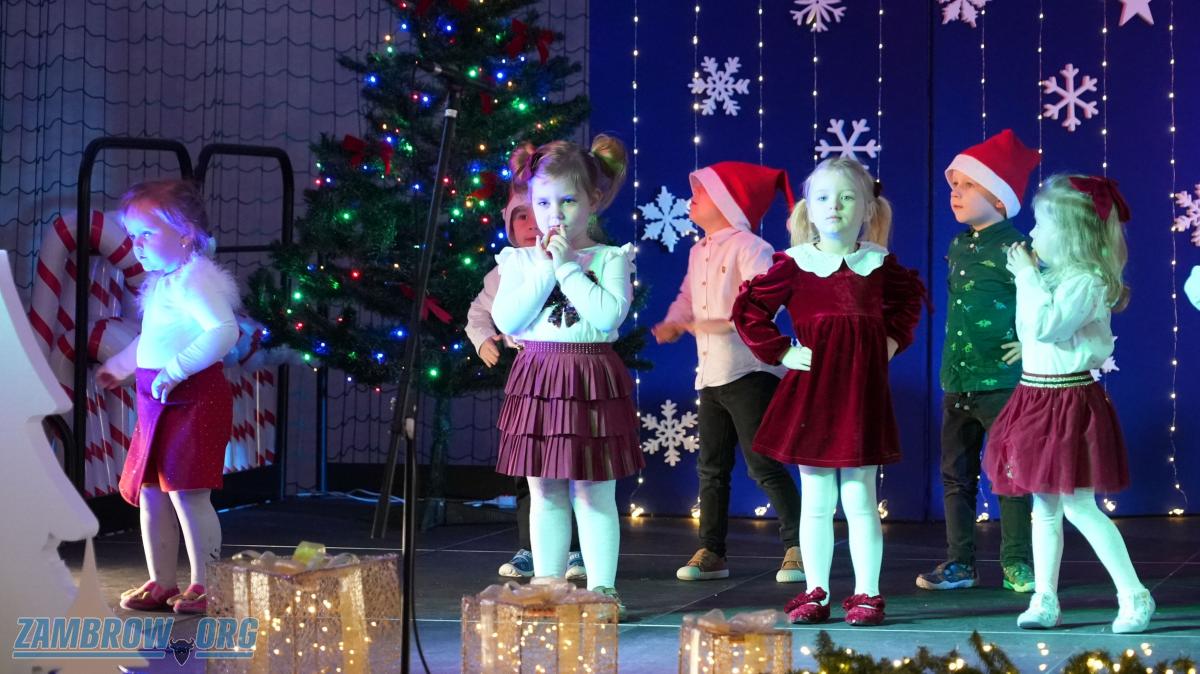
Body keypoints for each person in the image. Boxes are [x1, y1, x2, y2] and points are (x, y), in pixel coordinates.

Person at [732, 158, 925, 626]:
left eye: (846, 197)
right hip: (813, 397)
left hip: (860, 397)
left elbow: (908, 301)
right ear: (808, 209)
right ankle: (815, 590)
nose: (834, 206)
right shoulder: (795, 264)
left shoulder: (878, 265)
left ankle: (866, 593)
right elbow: (750, 309)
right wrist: (781, 351)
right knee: (817, 500)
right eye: (822, 198)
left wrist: (891, 341)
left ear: (866, 209)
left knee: (860, 498)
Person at [983, 174, 1154, 633]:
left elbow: (1048, 325)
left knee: (1079, 506)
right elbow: (1033, 332)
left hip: (1069, 401)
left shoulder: (1086, 282)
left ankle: (1134, 594)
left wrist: (1024, 276)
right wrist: (1029, 281)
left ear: (1071, 234)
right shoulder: (1051, 278)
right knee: (1044, 505)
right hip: (1035, 397)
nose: (1032, 234)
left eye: (1041, 225)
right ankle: (1045, 598)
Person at [491, 135, 641, 615]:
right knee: (544, 489)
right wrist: (545, 269)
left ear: (593, 200)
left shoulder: (610, 258)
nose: (554, 214)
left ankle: (603, 588)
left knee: (594, 489)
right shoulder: (520, 260)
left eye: (568, 201)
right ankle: (547, 584)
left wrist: (569, 269)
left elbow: (608, 317)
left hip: (590, 377)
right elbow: (507, 319)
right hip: (538, 377)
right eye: (542, 203)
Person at [653, 161, 803, 584]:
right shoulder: (698, 250)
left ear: (725, 202)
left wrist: (722, 322)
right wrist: (674, 320)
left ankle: (799, 545)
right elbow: (688, 296)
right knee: (711, 468)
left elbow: (766, 301)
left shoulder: (750, 246)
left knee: (762, 464)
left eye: (699, 194)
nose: (691, 200)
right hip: (712, 375)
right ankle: (712, 551)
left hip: (749, 370)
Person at [98, 180, 239, 614]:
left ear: (185, 233)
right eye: (132, 235)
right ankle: (161, 581)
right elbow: (151, 338)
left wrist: (176, 370)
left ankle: (206, 584)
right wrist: (120, 365)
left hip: (192, 399)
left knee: (187, 493)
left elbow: (223, 330)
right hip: (157, 399)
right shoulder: (163, 283)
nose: (136, 245)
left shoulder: (194, 280)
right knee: (151, 491)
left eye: (147, 233)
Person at [918, 130, 1040, 593]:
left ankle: (1016, 563)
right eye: (954, 185)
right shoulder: (958, 246)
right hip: (958, 379)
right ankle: (960, 563)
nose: (956, 193)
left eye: (968, 185)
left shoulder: (1019, 247)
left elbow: (1044, 300)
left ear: (999, 197)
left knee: (1011, 474)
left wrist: (1030, 344)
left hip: (1003, 383)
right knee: (956, 475)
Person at [465, 187, 585, 581]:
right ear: (510, 225)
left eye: (538, 214)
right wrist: (483, 338)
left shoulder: (572, 259)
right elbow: (479, 311)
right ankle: (530, 548)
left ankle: (576, 550)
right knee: (529, 465)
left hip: (566, 372)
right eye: (522, 217)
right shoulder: (505, 268)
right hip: (527, 374)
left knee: (571, 461)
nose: (532, 224)